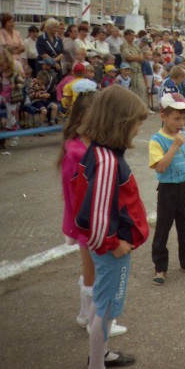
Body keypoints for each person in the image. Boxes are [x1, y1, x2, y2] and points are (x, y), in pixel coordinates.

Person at [73, 86, 149, 369]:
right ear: (120, 123)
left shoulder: (101, 153)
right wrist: (113, 244)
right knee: (106, 309)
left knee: (101, 305)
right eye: (136, 123)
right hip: (110, 249)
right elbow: (99, 212)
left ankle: (100, 353)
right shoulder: (107, 162)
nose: (138, 129)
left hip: (105, 247)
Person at [57, 86, 128, 338]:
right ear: (83, 120)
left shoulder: (85, 147)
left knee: (90, 268)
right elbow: (78, 196)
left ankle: (83, 314)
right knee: (92, 271)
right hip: (85, 223)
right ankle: (91, 320)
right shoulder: (77, 152)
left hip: (84, 221)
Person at [149, 93, 185, 285]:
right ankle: (160, 267)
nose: (181, 122)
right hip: (167, 190)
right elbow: (160, 167)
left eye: (184, 118)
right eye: (176, 118)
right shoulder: (157, 140)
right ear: (163, 116)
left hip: (183, 188)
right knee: (163, 228)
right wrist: (174, 145)